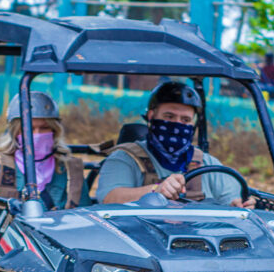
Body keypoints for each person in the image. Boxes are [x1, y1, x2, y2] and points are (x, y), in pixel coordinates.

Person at [97, 81, 256, 208]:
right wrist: (156, 191)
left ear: (193, 124)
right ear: (151, 116)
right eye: (169, 117)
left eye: (185, 120)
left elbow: (233, 202)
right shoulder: (124, 158)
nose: (177, 125)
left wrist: (239, 206)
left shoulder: (207, 164)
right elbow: (109, 199)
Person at [0, 92, 91, 210]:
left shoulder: (70, 170)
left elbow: (84, 217)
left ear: (55, 131)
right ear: (15, 132)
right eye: (29, 129)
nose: (37, 135)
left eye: (44, 128)